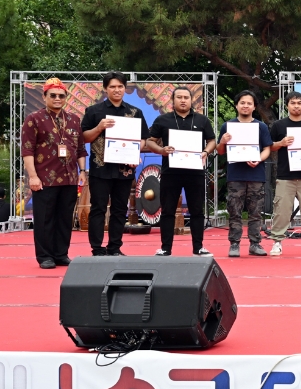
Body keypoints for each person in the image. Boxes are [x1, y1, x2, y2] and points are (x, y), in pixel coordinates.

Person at [80, 71, 149, 256]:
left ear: (125, 88)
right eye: (112, 86)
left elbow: (144, 139)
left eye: (120, 86)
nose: (116, 90)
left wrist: (135, 153)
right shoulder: (94, 111)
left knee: (120, 210)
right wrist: (99, 127)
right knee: (98, 209)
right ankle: (97, 248)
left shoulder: (135, 112)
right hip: (100, 169)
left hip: (125, 170)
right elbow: (84, 138)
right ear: (105, 89)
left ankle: (115, 248)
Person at [146, 86, 217, 257]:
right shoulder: (163, 120)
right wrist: (162, 150)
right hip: (171, 171)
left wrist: (206, 152)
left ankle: (198, 247)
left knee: (197, 210)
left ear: (192, 100)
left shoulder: (202, 120)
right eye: (179, 97)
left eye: (186, 97)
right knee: (168, 210)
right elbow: (149, 141)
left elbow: (212, 140)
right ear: (173, 100)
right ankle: (165, 248)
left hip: (195, 172)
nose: (183, 100)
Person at [21, 77, 84, 268]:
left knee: (65, 219)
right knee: (44, 219)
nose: (57, 99)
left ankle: (61, 254)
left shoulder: (73, 119)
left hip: (70, 177)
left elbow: (80, 148)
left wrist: (83, 171)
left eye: (61, 96)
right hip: (45, 178)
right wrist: (32, 176)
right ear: (44, 96)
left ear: (66, 97)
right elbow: (27, 150)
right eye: (53, 95)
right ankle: (45, 256)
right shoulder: (34, 119)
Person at [218, 90, 273, 258]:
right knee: (234, 211)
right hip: (235, 175)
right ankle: (234, 244)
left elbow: (267, 149)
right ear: (236, 105)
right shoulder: (228, 126)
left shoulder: (261, 126)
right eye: (242, 102)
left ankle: (255, 244)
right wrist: (222, 141)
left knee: (255, 212)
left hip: (256, 175)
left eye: (249, 103)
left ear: (254, 107)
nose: (245, 106)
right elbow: (220, 151)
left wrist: (258, 159)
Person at [267, 91, 301, 256]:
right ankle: (277, 242)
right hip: (285, 175)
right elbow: (269, 147)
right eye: (293, 103)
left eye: (299, 103)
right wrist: (281, 143)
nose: (296, 106)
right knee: (281, 210)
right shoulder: (278, 125)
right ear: (287, 105)